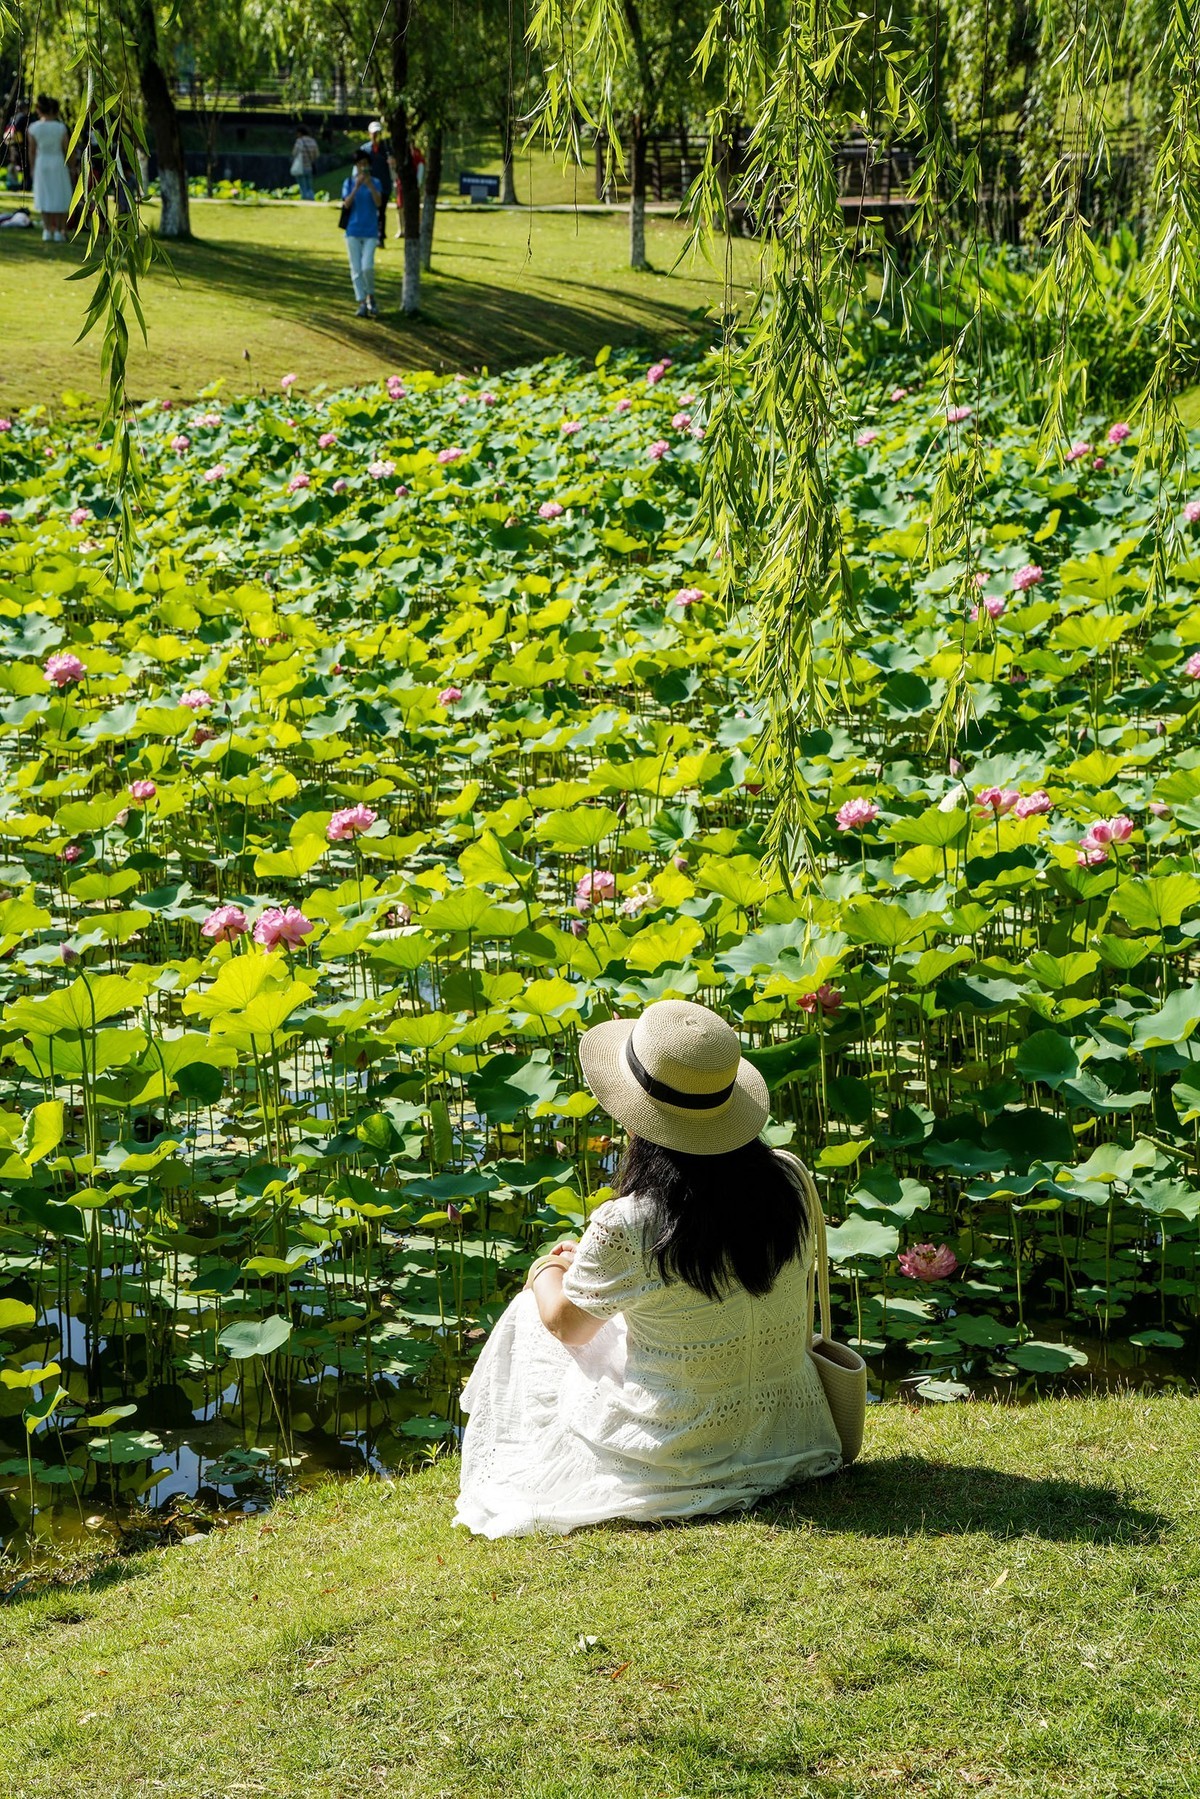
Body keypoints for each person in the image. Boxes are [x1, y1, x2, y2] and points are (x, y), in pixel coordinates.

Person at [454, 999, 843, 1538]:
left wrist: (546, 1267)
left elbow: (566, 1325)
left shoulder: (631, 1220)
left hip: (674, 1447)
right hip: (790, 1434)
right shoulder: (789, 1180)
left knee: (532, 1312)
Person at [341, 150, 381, 317]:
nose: (363, 167)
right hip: (353, 231)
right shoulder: (349, 182)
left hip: (370, 231)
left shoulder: (376, 182)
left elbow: (379, 203)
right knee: (356, 269)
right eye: (360, 164)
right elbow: (347, 204)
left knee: (367, 267)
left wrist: (370, 186)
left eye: (365, 164)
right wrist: (357, 187)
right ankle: (361, 302)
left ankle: (371, 295)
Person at [27, 95, 72, 242]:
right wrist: (72, 166)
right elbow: (67, 149)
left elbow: (32, 151)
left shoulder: (34, 128)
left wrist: (32, 167)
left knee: (44, 194)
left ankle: (47, 230)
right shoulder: (60, 127)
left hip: (42, 162)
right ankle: (59, 230)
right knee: (60, 194)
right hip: (58, 161)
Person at [361, 120, 391, 247]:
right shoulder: (365, 149)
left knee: (381, 212)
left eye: (377, 133)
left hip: (383, 185)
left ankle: (380, 237)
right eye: (373, 133)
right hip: (369, 184)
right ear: (369, 134)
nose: (375, 136)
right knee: (368, 210)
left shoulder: (387, 149)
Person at [290, 124, 319, 202]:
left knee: (303, 185)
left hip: (300, 167)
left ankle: (305, 199)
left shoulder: (299, 141)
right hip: (309, 166)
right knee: (309, 185)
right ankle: (311, 198)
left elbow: (294, 153)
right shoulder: (313, 141)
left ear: (300, 133)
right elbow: (316, 154)